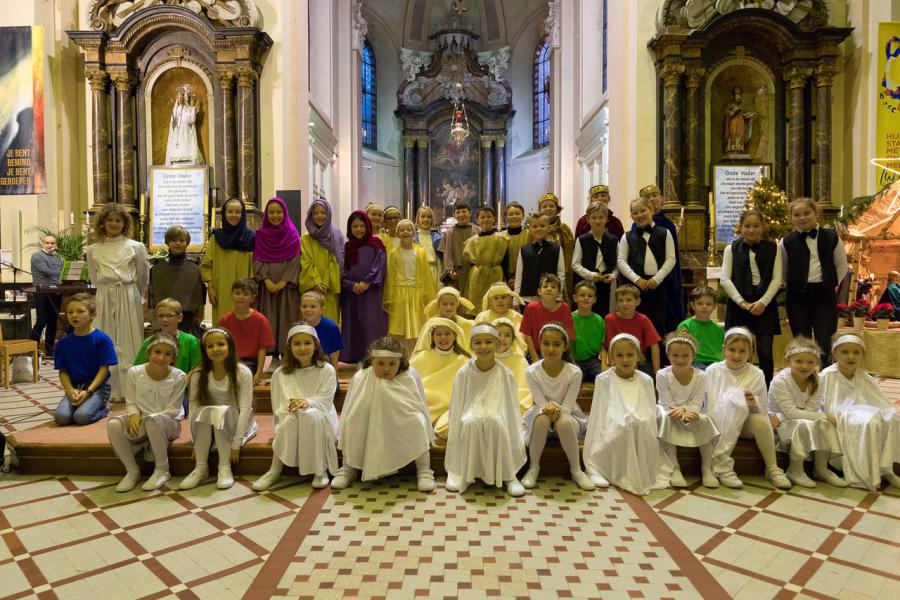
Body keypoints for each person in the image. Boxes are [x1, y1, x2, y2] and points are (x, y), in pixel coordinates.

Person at [332, 337, 435, 492]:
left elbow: (418, 404)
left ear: (401, 362)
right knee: (351, 421)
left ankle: (424, 469)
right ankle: (348, 467)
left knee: (418, 421)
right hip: (366, 418)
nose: (386, 369)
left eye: (392, 363)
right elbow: (351, 406)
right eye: (380, 363)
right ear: (372, 360)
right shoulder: (361, 376)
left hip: (401, 419)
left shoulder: (410, 375)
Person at [252, 324, 339, 491]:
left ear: (316, 344)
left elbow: (326, 401)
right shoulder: (281, 373)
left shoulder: (326, 370)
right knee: (288, 421)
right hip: (291, 414)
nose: (303, 348)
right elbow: (279, 403)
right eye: (297, 344)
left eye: (307, 343)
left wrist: (308, 402)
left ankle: (319, 469)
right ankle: (274, 471)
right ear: (289, 347)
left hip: (321, 417)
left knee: (312, 415)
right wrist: (296, 408)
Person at [445, 324, 527, 496]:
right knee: (470, 422)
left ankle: (508, 474)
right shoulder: (463, 373)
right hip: (469, 414)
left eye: (488, 342)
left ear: (497, 345)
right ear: (471, 346)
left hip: (497, 414)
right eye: (478, 342)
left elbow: (510, 408)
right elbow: (458, 405)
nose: (483, 347)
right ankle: (462, 472)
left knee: (495, 421)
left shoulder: (506, 373)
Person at [704, 327, 791, 489]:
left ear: (750, 351)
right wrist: (733, 402)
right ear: (724, 350)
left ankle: (772, 468)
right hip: (719, 422)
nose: (736, 355)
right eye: (732, 350)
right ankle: (723, 466)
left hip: (744, 422)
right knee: (733, 401)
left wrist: (753, 402)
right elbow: (709, 402)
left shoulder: (756, 373)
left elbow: (763, 407)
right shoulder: (713, 370)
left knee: (758, 419)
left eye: (742, 351)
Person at [180, 328, 258, 490]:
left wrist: (236, 445)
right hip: (208, 423)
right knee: (205, 411)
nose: (215, 349)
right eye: (210, 346)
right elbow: (194, 409)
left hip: (235, 423)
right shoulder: (198, 373)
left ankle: (224, 466)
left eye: (220, 344)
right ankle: (201, 467)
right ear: (204, 350)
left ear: (230, 346)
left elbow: (245, 409)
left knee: (219, 412)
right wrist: (195, 442)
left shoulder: (242, 372)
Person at [821, 332, 900, 490]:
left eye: (856, 352)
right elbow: (821, 404)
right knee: (870, 421)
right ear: (834, 353)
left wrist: (887, 412)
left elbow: (880, 401)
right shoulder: (826, 376)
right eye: (844, 352)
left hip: (866, 411)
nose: (851, 357)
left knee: (892, 417)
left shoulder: (865, 377)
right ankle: (865, 473)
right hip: (840, 415)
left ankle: (886, 469)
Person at [583, 333, 660, 495]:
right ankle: (610, 469)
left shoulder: (646, 380)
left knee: (639, 423)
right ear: (611, 357)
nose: (625, 360)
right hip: (612, 418)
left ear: (638, 356)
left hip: (640, 418)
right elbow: (600, 411)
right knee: (624, 425)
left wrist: (639, 417)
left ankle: (639, 469)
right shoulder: (603, 379)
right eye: (619, 355)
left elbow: (649, 409)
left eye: (630, 355)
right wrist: (621, 417)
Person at [86, 203, 149, 400]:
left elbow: (143, 276)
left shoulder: (136, 247)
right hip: (105, 296)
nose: (114, 223)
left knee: (129, 339)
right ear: (103, 223)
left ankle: (131, 389)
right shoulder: (93, 249)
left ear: (124, 224)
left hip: (128, 295)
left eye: (118, 220)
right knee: (106, 337)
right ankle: (108, 389)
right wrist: (106, 291)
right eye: (110, 220)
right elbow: (94, 278)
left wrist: (138, 298)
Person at [108, 331, 185, 492]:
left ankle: (162, 469)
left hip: (168, 424)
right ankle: (132, 471)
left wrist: (148, 419)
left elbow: (173, 410)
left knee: (153, 420)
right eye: (157, 352)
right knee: (114, 423)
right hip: (142, 420)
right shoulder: (134, 372)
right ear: (149, 352)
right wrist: (134, 415)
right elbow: (131, 402)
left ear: (173, 358)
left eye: (168, 354)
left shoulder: (179, 376)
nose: (161, 358)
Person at [522, 324, 594, 491]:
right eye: (546, 343)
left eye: (556, 344)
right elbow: (540, 403)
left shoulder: (574, 372)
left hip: (568, 419)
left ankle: (576, 470)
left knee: (563, 421)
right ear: (539, 344)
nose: (551, 349)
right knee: (542, 418)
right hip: (541, 419)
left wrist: (554, 407)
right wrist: (550, 407)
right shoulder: (532, 371)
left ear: (565, 346)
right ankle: (534, 467)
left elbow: (568, 408)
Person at [769, 337, 846, 488]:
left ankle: (821, 469)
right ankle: (795, 469)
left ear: (817, 363)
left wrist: (821, 418)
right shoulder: (781, 381)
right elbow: (790, 413)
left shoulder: (817, 380)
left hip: (794, 418)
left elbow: (811, 409)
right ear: (788, 361)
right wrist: (823, 415)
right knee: (806, 423)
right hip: (778, 424)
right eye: (799, 361)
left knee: (825, 424)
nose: (805, 366)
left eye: (811, 362)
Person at [780, 198, 848, 366]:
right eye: (797, 215)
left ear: (815, 213)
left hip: (824, 295)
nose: (802, 217)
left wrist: (828, 285)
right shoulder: (786, 242)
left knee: (824, 339)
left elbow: (841, 266)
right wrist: (795, 286)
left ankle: (825, 377)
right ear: (791, 218)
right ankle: (805, 378)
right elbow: (782, 270)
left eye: (806, 213)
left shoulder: (832, 237)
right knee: (802, 341)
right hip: (797, 298)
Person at [720, 209, 782, 384]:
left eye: (756, 225)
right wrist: (741, 302)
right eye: (747, 226)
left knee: (764, 351)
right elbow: (725, 278)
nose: (751, 230)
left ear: (763, 227)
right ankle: (739, 386)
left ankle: (766, 389)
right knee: (738, 350)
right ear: (740, 227)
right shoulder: (731, 249)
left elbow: (777, 279)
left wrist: (763, 302)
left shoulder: (773, 248)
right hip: (739, 304)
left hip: (765, 303)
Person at [656, 331, 720, 489]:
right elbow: (666, 402)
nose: (680, 359)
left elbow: (697, 403)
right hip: (668, 411)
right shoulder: (662, 375)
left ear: (693, 355)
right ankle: (675, 468)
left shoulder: (701, 376)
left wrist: (687, 411)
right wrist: (679, 411)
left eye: (685, 355)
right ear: (668, 355)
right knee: (666, 418)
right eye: (675, 355)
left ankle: (706, 468)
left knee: (704, 420)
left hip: (691, 410)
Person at [53, 293, 118, 426]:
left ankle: (105, 407)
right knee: (62, 418)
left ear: (92, 315)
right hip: (75, 387)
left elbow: (104, 369)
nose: (74, 315)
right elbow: (63, 371)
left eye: (80, 311)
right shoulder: (63, 343)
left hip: (97, 388)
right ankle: (82, 403)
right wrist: (70, 390)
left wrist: (88, 392)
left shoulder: (102, 339)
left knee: (81, 417)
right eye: (70, 312)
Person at [252, 197, 301, 367]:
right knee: (270, 320)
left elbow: (296, 260)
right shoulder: (260, 235)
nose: (275, 215)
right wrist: (265, 279)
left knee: (287, 319)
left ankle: (287, 356)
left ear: (284, 213)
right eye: (271, 212)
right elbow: (257, 259)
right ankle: (273, 358)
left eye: (278, 212)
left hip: (287, 289)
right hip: (268, 289)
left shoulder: (293, 235)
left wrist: (284, 281)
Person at [617, 198, 676, 340]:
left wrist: (657, 278)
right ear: (631, 216)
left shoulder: (665, 233)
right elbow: (621, 261)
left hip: (658, 285)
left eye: (643, 210)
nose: (640, 215)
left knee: (657, 323)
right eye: (635, 213)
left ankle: (656, 359)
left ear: (651, 210)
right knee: (635, 323)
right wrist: (636, 279)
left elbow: (671, 259)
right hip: (636, 288)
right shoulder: (627, 236)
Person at [133, 298, 201, 414]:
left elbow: (197, 367)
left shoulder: (191, 341)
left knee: (178, 408)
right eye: (161, 316)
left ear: (179, 318)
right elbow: (138, 368)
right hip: (154, 386)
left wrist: (182, 384)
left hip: (180, 389)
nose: (165, 319)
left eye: (169, 316)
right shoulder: (150, 341)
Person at [410, 317, 470, 442]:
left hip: (453, 407)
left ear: (454, 336)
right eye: (439, 334)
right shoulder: (421, 357)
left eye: (447, 334)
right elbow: (410, 385)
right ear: (432, 337)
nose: (443, 338)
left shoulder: (465, 360)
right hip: (424, 405)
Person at [340, 210, 387, 363]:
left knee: (371, 323)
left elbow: (379, 266)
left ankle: (373, 356)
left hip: (371, 292)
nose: (359, 229)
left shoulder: (376, 245)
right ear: (350, 228)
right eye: (355, 226)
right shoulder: (346, 247)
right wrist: (351, 285)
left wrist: (366, 282)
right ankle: (354, 356)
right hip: (351, 293)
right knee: (354, 324)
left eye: (362, 226)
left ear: (367, 226)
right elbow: (340, 271)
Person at [384, 219, 437, 354]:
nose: (405, 232)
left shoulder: (420, 251)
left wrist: (426, 293)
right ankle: (400, 353)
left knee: (416, 324)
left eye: (408, 229)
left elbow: (426, 274)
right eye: (402, 230)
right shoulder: (394, 253)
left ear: (413, 232)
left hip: (416, 292)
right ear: (398, 233)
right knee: (399, 326)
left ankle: (417, 353)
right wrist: (391, 294)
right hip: (400, 292)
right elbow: (390, 275)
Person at [638, 184, 685, 335]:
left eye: (655, 196)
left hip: (666, 278)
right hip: (645, 281)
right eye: (648, 197)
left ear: (661, 199)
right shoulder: (638, 225)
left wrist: (662, 276)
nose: (652, 199)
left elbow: (672, 256)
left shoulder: (668, 225)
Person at [200, 199, 255, 324]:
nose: (234, 215)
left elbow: (253, 265)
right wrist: (210, 288)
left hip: (244, 292)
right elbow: (206, 265)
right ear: (224, 214)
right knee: (222, 324)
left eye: (237, 212)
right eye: (230, 211)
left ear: (243, 215)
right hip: (221, 290)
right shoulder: (216, 237)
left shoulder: (250, 238)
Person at [218, 278, 275, 384]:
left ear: (252, 298)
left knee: (240, 376)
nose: (241, 297)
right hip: (228, 360)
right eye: (237, 293)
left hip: (250, 362)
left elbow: (262, 349)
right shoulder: (224, 320)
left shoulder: (260, 320)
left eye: (245, 294)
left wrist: (258, 373)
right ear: (232, 295)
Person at [149, 226, 204, 335]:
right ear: (167, 242)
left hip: (187, 317)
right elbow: (152, 292)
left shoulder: (194, 266)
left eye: (182, 240)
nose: (178, 243)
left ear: (187, 242)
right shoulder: (158, 267)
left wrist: (200, 312)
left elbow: (199, 292)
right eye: (173, 240)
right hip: (164, 316)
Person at [300, 198, 345, 323]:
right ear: (311, 215)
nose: (319, 216)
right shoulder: (306, 237)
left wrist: (325, 283)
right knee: (312, 322)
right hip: (313, 288)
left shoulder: (336, 235)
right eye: (316, 213)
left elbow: (337, 260)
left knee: (331, 322)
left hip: (330, 287)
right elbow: (306, 261)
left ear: (328, 214)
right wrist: (316, 283)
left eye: (323, 213)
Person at [572, 202, 618, 317]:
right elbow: (575, 264)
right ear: (588, 219)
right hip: (587, 284)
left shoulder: (613, 240)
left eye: (601, 217)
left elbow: (618, 264)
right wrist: (591, 275)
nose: (597, 221)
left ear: (606, 219)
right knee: (588, 313)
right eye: (594, 218)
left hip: (607, 284)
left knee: (605, 313)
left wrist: (613, 275)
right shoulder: (582, 240)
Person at [604, 284, 662, 375]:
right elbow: (609, 345)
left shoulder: (643, 319)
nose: (624, 304)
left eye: (629, 300)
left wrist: (657, 372)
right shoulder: (609, 319)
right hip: (618, 359)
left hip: (639, 359)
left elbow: (654, 346)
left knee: (647, 380)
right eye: (620, 300)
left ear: (637, 301)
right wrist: (612, 366)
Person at [520, 273, 575, 362]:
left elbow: (569, 336)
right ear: (539, 291)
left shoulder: (565, 308)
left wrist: (563, 357)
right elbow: (527, 335)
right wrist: (535, 358)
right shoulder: (531, 308)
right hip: (537, 353)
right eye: (545, 286)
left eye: (553, 287)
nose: (549, 289)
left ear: (559, 293)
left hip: (559, 353)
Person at [463, 206, 509, 309]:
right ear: (477, 220)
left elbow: (505, 261)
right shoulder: (472, 241)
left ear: (494, 219)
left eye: (489, 217)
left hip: (495, 274)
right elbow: (471, 263)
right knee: (477, 306)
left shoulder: (501, 238)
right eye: (482, 217)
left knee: (496, 303)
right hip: (477, 277)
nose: (486, 219)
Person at [515, 213, 566, 303]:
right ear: (530, 230)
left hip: (550, 297)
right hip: (528, 297)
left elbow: (561, 274)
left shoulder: (557, 249)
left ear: (548, 228)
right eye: (535, 226)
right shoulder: (524, 250)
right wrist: (516, 299)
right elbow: (519, 276)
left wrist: (558, 295)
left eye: (542, 226)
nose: (539, 229)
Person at [533, 193, 575, 296]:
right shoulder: (535, 229)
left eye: (551, 206)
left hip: (560, 273)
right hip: (539, 274)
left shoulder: (564, 229)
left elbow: (569, 253)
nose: (548, 209)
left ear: (557, 209)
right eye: (544, 206)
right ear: (540, 210)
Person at [29, 234, 62, 359]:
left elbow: (56, 274)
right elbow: (46, 271)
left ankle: (50, 350)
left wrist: (61, 274)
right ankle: (31, 350)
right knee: (41, 321)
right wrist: (61, 272)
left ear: (55, 244)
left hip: (56, 291)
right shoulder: (37, 256)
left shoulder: (58, 257)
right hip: (41, 292)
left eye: (52, 243)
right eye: (47, 243)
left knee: (53, 322)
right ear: (43, 243)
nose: (49, 245)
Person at [439, 202, 480, 303]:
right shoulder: (448, 233)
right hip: (456, 272)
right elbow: (445, 254)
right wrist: (450, 270)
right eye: (458, 212)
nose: (461, 214)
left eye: (464, 211)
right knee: (457, 298)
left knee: (473, 298)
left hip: (474, 270)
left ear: (470, 213)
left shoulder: (478, 231)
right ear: (454, 215)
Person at [676, 286, 724, 370]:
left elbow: (723, 351)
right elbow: (678, 349)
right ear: (693, 305)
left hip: (717, 364)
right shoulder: (685, 326)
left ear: (714, 306)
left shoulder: (719, 329)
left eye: (708, 304)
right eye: (700, 303)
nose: (704, 306)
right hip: (694, 363)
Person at [492, 317, 532, 417]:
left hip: (513, 407)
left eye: (507, 335)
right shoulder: (484, 360)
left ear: (513, 339)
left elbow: (525, 390)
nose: (502, 339)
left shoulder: (520, 361)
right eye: (498, 335)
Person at [571, 281, 607, 382]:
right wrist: (571, 361)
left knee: (605, 378)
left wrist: (604, 364)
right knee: (573, 379)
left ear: (594, 299)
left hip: (593, 360)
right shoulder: (569, 318)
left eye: (590, 296)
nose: (586, 298)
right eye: (582, 295)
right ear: (575, 298)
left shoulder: (599, 320)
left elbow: (602, 346)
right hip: (574, 360)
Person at [421, 287, 475, 353]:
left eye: (452, 304)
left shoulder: (467, 324)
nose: (448, 307)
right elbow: (424, 347)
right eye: (445, 304)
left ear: (457, 304)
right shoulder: (431, 324)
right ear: (438, 305)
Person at [300, 291, 342, 366]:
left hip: (325, 366)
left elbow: (334, 355)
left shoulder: (331, 327)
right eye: (304, 306)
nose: (308, 309)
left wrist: (334, 376)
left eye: (313, 306)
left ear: (322, 310)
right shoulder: (298, 328)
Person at [413, 206, 443, 290]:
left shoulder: (438, 238)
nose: (426, 219)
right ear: (418, 218)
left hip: (433, 273)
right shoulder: (413, 238)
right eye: (423, 216)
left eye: (429, 217)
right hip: (418, 274)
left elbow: (440, 262)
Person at [500, 202, 528, 287]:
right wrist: (507, 279)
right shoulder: (500, 236)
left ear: (523, 216)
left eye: (517, 213)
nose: (514, 216)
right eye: (511, 214)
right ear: (506, 217)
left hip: (525, 279)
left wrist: (519, 279)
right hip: (504, 280)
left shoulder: (530, 235)